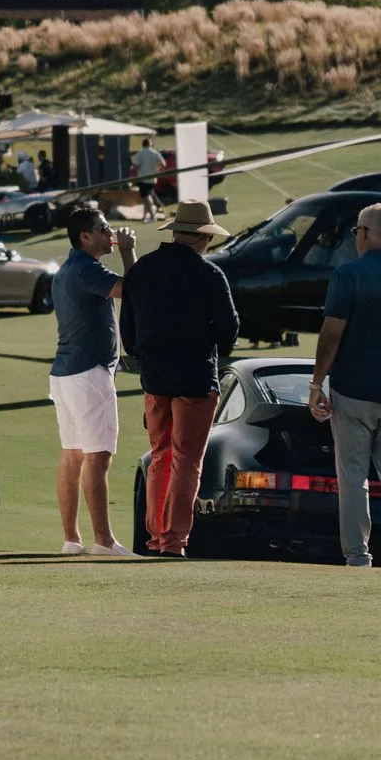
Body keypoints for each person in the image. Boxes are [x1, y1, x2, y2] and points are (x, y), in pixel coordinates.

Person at [306, 202, 381, 570]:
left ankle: (358, 556)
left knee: (353, 475)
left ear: (363, 233)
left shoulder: (347, 275)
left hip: (353, 390)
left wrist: (316, 384)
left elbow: (331, 334)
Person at [118, 200, 240, 556]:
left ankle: (156, 537)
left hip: (155, 379)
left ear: (174, 231)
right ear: (203, 236)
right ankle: (173, 540)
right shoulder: (209, 275)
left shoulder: (142, 271)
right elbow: (229, 331)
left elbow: (129, 333)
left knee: (161, 455)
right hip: (196, 380)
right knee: (187, 459)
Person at [50, 205, 136, 556]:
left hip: (66, 373)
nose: (109, 233)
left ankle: (72, 540)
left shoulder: (70, 268)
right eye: (103, 228)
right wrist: (130, 251)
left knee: (73, 455)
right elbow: (132, 290)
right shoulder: (86, 268)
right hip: (90, 373)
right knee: (97, 458)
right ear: (85, 236)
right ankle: (104, 541)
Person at [134, 139, 165, 217]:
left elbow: (136, 164)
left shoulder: (140, 153)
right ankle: (144, 216)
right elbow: (163, 164)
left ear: (143, 145)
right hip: (152, 179)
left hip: (143, 178)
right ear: (150, 144)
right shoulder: (155, 153)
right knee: (147, 196)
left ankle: (152, 215)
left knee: (145, 198)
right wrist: (157, 170)